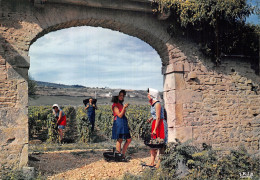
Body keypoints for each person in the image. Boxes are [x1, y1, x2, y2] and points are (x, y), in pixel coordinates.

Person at [147, 88, 166, 168]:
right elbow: (155, 115)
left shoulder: (157, 104)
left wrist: (155, 129)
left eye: (148, 94)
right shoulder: (152, 104)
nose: (147, 95)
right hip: (155, 122)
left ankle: (159, 163)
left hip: (159, 124)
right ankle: (152, 162)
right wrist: (151, 118)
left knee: (160, 143)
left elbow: (158, 117)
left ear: (152, 95)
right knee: (153, 143)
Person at [111, 90, 131, 160]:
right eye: (120, 95)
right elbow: (119, 115)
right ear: (116, 96)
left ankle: (122, 154)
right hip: (119, 122)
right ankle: (119, 155)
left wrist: (127, 124)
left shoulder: (120, 104)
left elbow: (122, 115)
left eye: (123, 95)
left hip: (123, 122)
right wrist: (124, 108)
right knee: (120, 139)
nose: (122, 97)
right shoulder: (115, 105)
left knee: (128, 139)